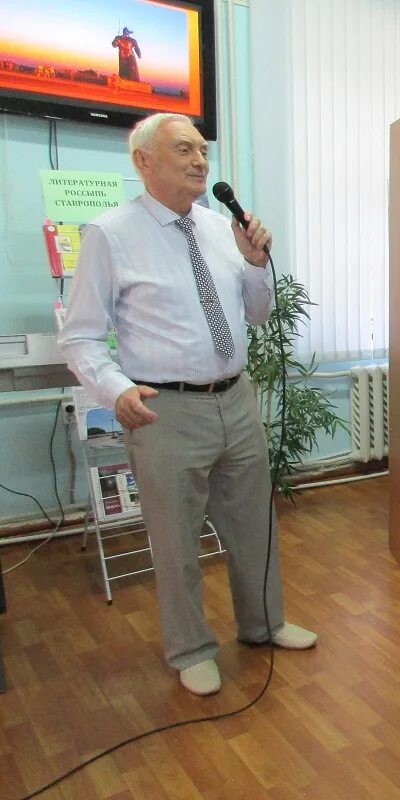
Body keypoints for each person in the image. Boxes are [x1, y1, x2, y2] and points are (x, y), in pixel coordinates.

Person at [58, 113, 316, 697]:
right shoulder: (109, 233)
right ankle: (191, 648)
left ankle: (264, 623)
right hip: (165, 408)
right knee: (176, 540)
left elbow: (256, 314)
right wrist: (114, 388)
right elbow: (79, 336)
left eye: (203, 149)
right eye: (184, 149)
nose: (201, 160)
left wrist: (255, 264)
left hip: (236, 395)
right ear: (143, 161)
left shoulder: (222, 228)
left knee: (256, 525)